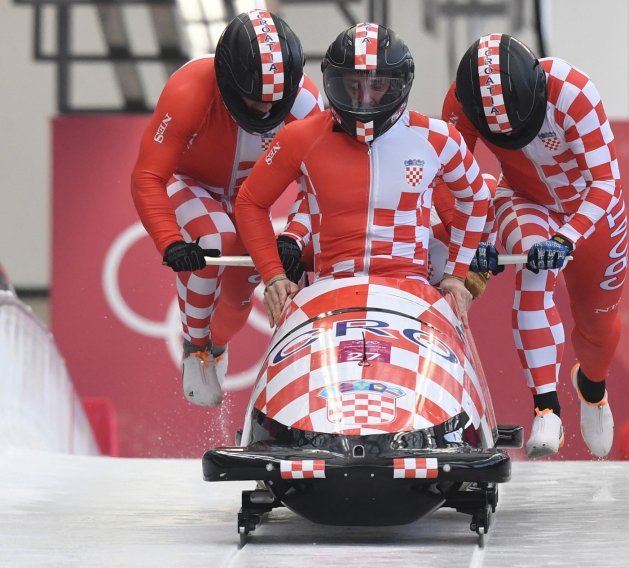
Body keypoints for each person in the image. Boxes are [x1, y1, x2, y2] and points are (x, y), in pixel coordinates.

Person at [235, 23, 490, 325]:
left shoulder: (438, 138)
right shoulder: (299, 137)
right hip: (329, 291)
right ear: (334, 83)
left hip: (411, 292)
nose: (364, 97)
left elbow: (476, 196)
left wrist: (456, 275)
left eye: (377, 85)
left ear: (398, 85)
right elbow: (250, 201)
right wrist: (274, 275)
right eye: (353, 85)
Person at [131, 10, 323, 407]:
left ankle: (214, 345)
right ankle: (196, 345)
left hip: (250, 199)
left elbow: (322, 184)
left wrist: (293, 236)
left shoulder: (307, 102)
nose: (264, 114)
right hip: (192, 182)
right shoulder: (189, 90)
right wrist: (169, 242)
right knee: (219, 238)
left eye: (274, 105)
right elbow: (148, 175)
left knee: (238, 299)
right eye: (253, 101)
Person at [448, 34, 627, 458]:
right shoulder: (459, 103)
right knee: (534, 271)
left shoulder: (573, 91)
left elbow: (605, 182)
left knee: (598, 323)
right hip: (524, 198)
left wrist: (567, 237)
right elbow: (450, 179)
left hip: (591, 209)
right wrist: (475, 243)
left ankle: (593, 385)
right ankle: (547, 409)